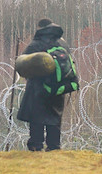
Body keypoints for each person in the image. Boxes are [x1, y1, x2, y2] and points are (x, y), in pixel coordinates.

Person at [17, 18, 70, 151]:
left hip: (38, 87)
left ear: (40, 28)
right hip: (58, 86)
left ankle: (36, 144)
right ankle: (54, 145)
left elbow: (23, 65)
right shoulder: (62, 43)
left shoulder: (36, 43)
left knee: (37, 117)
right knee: (55, 116)